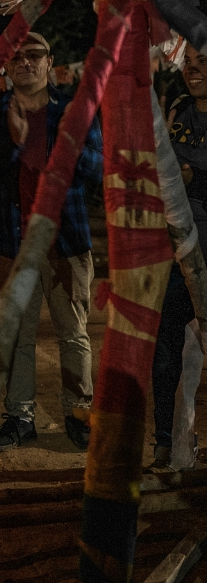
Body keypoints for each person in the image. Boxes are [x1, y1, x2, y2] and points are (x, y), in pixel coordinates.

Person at [0, 33, 102, 452]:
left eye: (34, 55)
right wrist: (14, 144)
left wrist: (69, 146)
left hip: (67, 241)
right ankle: (19, 418)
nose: (25, 62)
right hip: (13, 243)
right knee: (16, 337)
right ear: (5, 66)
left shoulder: (75, 112)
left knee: (73, 334)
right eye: (16, 57)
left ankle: (79, 414)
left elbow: (98, 172)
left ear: (51, 62)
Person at [149, 41, 207, 470]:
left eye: (203, 62)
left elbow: (179, 163)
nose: (194, 69)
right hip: (177, 252)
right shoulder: (180, 110)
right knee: (166, 350)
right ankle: (167, 445)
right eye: (189, 63)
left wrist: (183, 164)